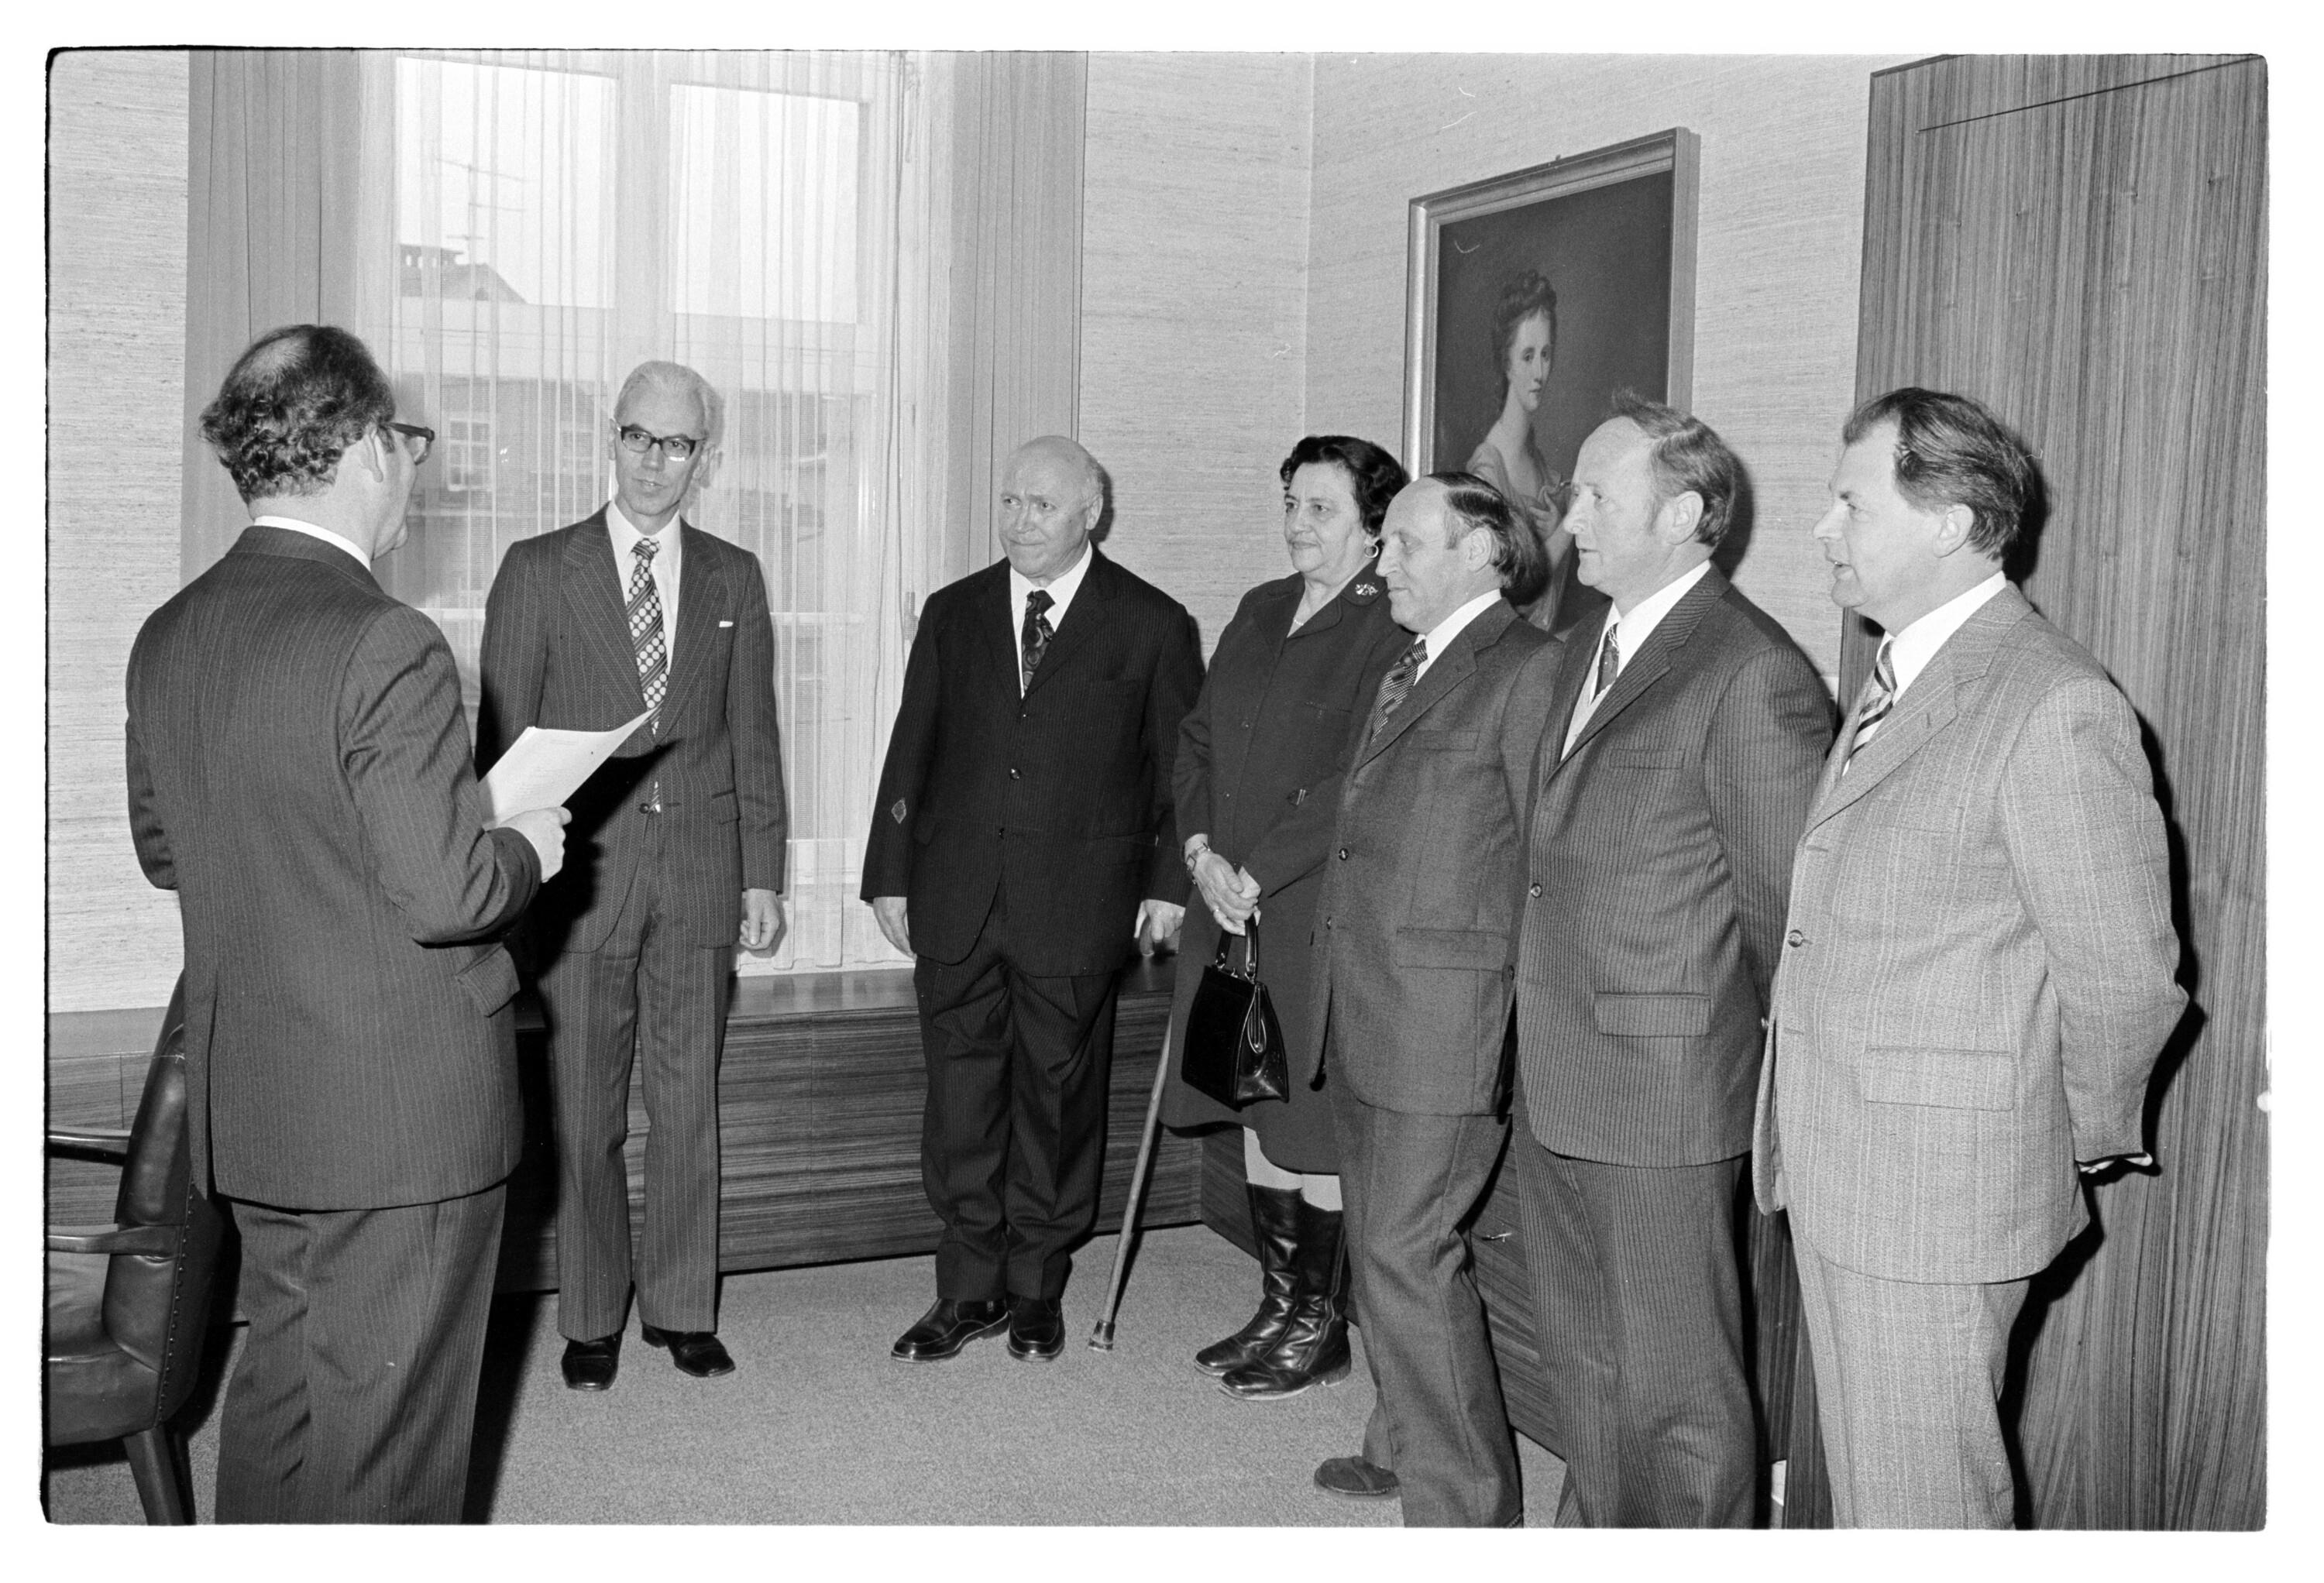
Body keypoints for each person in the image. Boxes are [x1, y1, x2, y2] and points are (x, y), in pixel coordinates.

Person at [125, 324, 569, 1521]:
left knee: (283, 1398)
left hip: (257, 1106)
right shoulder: (385, 639)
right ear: (370, 445)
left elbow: (168, 853)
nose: (413, 466)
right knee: (389, 1463)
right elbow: (449, 896)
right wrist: (524, 845)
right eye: (407, 440)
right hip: (397, 1123)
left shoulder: (170, 633)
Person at [1753, 387, 2185, 1526]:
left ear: (1947, 522)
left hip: (1935, 1193)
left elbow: (2125, 980)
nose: (1823, 528)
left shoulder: (2052, 703)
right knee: (1880, 1497)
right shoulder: (1901, 672)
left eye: (1851, 503)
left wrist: (2056, 1131)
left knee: (1922, 1510)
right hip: (1848, 1162)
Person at [1510, 394, 1832, 1526]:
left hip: (1662, 1094)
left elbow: (1789, 916)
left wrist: (1747, 1087)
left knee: (1679, 1393)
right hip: (1556, 1066)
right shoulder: (1582, 649)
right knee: (1588, 1364)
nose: (1570, 518)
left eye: (1598, 496)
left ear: (1685, 514)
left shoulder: (1749, 670)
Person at [476, 360, 790, 1391]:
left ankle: (682, 1308)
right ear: (611, 439)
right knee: (585, 1114)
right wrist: (507, 883)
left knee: (688, 1107)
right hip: (580, 886)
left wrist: (762, 873)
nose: (656, 461)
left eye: (679, 443)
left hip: (700, 877)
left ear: (706, 458)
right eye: (639, 437)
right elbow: (503, 746)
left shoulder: (735, 576)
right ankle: (590, 1317)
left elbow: (754, 733)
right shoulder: (537, 568)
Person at [864, 435, 1204, 1365]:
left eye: (1041, 505)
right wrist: (888, 870)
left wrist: (1168, 886)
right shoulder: (954, 611)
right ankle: (965, 1286)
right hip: (957, 893)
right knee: (961, 1097)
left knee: (1057, 1099)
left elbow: (1180, 769)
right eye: (1009, 501)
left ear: (1091, 511)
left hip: (1078, 901)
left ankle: (1036, 1284)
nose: (1019, 521)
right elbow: (911, 745)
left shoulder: (1151, 622)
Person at [1304, 474, 1562, 1526]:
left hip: (1446, 1024)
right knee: (1381, 1248)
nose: (1384, 564)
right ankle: (1402, 1442)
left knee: (1407, 1254)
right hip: (1369, 1000)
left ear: (1482, 551)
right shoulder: (1408, 661)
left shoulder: (1530, 670)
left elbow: (1545, 861)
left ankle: (1465, 1514)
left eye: (1408, 543)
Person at [1160, 435, 1411, 1402]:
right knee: (1257, 1102)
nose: (1298, 524)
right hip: (1225, 903)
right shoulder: (1261, 607)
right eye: (1291, 504)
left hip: (1305, 910)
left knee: (1308, 1118)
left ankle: (1319, 1323)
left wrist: (1256, 872)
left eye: (1321, 508)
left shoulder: (1389, 624)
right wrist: (1199, 854)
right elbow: (1196, 743)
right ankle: (1278, 1305)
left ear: (1373, 527)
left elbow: (1357, 777)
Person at [1464, 268, 1588, 632]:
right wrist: (1568, 525)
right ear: (1506, 363)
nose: (1539, 373)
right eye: (1528, 356)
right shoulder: (1487, 471)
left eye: (1546, 355)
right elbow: (1516, 595)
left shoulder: (1539, 463)